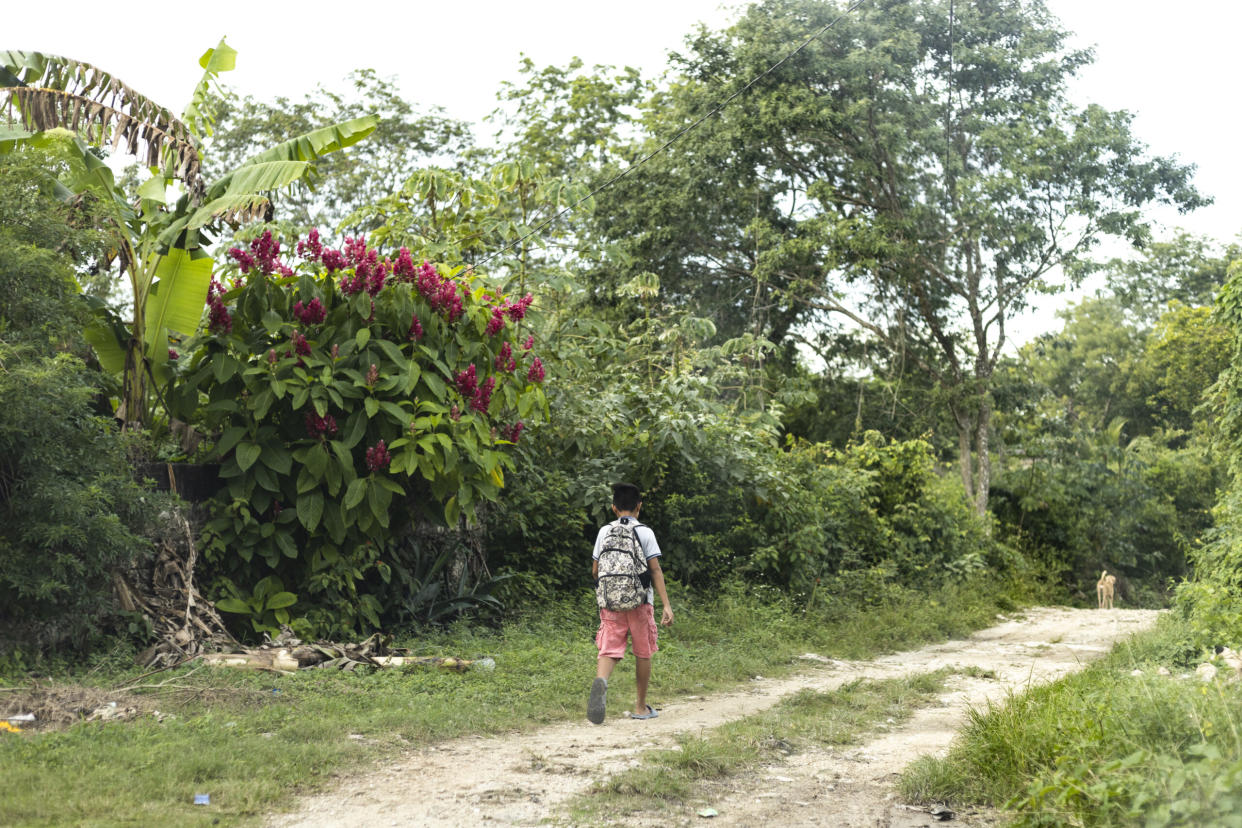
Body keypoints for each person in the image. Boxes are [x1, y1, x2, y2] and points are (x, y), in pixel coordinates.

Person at [587, 483, 674, 724]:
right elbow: (655, 570)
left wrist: (610, 592)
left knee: (608, 649)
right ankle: (640, 707)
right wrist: (666, 605)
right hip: (640, 602)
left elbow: (596, 570)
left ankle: (602, 681)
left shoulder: (604, 531)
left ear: (614, 508)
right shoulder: (645, 532)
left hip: (611, 603)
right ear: (639, 507)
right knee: (643, 652)